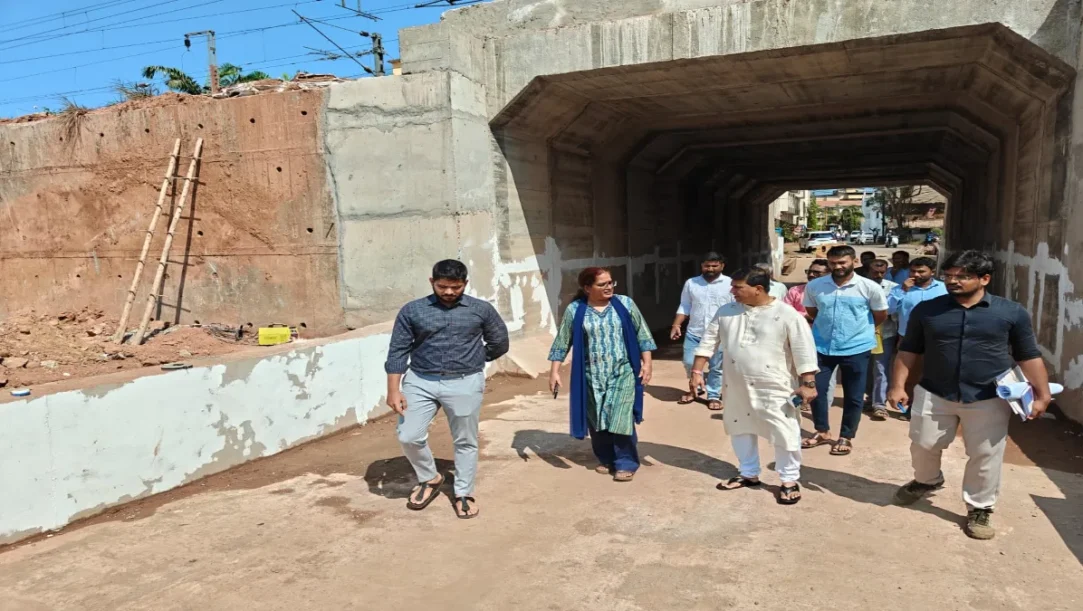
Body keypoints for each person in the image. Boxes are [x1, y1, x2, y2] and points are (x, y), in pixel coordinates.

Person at [888, 250, 1050, 540]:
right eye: (948, 276)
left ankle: (980, 507)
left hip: (989, 395)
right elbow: (909, 349)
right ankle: (927, 481)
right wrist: (898, 385)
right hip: (934, 391)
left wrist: (1042, 394)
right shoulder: (928, 310)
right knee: (923, 443)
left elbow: (1028, 355)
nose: (953, 281)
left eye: (962, 276)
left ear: (984, 278)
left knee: (986, 454)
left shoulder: (1010, 312)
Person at [384, 259, 510, 519]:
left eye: (456, 286)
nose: (449, 292)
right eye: (443, 286)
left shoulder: (481, 310)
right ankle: (429, 478)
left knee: (465, 440)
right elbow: (397, 351)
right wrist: (393, 390)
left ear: (465, 283)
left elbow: (499, 342)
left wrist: (475, 359)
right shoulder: (413, 311)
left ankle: (463, 493)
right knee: (408, 435)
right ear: (432, 282)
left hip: (465, 381)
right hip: (420, 381)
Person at [691, 268, 819, 505]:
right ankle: (748, 473)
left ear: (758, 289)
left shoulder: (788, 315)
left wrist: (808, 384)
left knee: (785, 431)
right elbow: (709, 340)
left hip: (775, 386)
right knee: (739, 427)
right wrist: (697, 371)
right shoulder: (727, 311)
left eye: (738, 287)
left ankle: (789, 480)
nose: (732, 291)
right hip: (736, 384)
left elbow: (804, 352)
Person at [548, 268, 657, 482]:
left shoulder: (624, 304)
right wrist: (554, 372)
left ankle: (626, 462)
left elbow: (642, 334)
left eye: (610, 283)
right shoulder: (576, 310)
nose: (609, 287)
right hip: (592, 375)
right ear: (587, 288)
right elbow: (562, 342)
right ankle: (606, 458)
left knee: (620, 418)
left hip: (623, 371)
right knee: (598, 419)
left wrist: (647, 364)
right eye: (602, 284)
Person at [802, 245, 889, 456]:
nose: (838, 267)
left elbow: (880, 315)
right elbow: (812, 311)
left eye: (843, 262)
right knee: (816, 391)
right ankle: (822, 431)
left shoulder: (869, 287)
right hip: (823, 346)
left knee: (854, 395)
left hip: (856, 347)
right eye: (833, 263)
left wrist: (858, 332)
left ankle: (846, 436)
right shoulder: (816, 286)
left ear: (854, 261)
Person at [670, 253, 731, 411]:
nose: (710, 269)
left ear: (722, 266)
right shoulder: (692, 283)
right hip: (694, 332)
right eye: (707, 266)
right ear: (701, 266)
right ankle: (695, 390)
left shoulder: (730, 284)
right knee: (690, 362)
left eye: (714, 265)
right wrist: (676, 325)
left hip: (719, 334)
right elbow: (685, 305)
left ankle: (713, 395)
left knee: (716, 367)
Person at [864, 259, 898, 420]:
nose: (878, 275)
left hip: (885, 334)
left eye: (882, 272)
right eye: (874, 272)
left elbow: (894, 312)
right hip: (861, 334)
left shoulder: (893, 288)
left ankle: (879, 404)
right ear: (868, 270)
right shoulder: (859, 285)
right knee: (863, 368)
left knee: (880, 368)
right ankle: (869, 398)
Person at [890, 256, 947, 349]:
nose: (916, 274)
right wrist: (902, 290)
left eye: (921, 272)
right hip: (907, 336)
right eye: (912, 271)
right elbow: (889, 310)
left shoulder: (944, 289)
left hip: (937, 337)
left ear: (932, 272)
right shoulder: (899, 289)